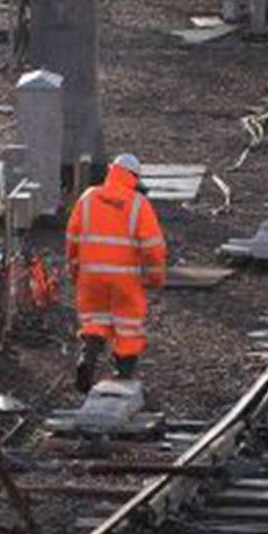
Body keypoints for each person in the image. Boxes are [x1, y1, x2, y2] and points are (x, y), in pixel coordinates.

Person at [68, 152, 168, 390]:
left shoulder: (88, 198)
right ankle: (123, 376)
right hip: (125, 278)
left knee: (95, 321)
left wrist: (75, 269)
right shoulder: (138, 204)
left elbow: (72, 238)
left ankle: (87, 357)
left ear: (111, 171)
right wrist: (155, 276)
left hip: (91, 275)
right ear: (134, 177)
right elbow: (153, 247)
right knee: (127, 327)